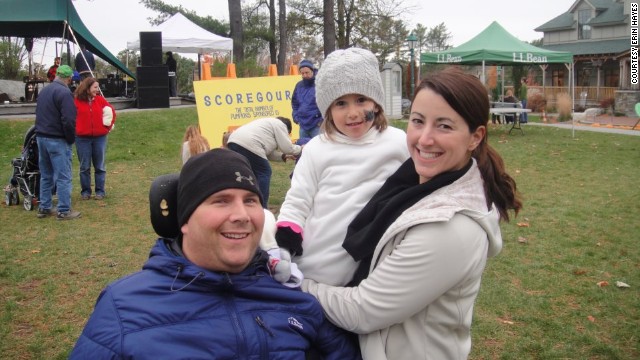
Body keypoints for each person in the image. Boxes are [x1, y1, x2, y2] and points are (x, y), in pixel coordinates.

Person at [302, 68, 523, 359]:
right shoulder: (408, 181)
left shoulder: (450, 228)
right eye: (418, 121)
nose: (424, 139)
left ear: (475, 137)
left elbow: (364, 310)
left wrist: (298, 282)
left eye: (444, 126)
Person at [68, 149, 361, 360]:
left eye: (250, 201)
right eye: (221, 201)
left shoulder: (293, 298)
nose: (242, 215)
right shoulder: (124, 308)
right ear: (184, 220)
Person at [271, 48, 409, 287]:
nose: (353, 113)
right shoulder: (317, 148)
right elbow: (298, 198)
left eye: (361, 100)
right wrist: (286, 240)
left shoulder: (399, 143)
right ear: (328, 111)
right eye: (341, 103)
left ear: (375, 103)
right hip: (314, 263)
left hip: (371, 269)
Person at [34, 65, 81, 220]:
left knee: (46, 174)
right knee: (63, 176)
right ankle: (63, 210)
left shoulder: (44, 91)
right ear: (69, 78)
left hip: (41, 137)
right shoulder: (64, 93)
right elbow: (68, 119)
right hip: (57, 139)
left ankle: (45, 206)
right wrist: (70, 138)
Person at [226, 116, 302, 207]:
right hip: (249, 143)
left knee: (246, 174)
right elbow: (288, 148)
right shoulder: (280, 125)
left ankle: (243, 201)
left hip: (233, 141)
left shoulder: (267, 127)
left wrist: (283, 156)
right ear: (287, 129)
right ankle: (261, 205)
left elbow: (266, 153)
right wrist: (301, 148)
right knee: (264, 171)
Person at [74, 77, 116, 200]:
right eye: (95, 87)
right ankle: (85, 191)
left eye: (97, 87)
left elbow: (112, 113)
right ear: (87, 88)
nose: (97, 90)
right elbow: (69, 117)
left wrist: (106, 129)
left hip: (100, 138)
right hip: (82, 139)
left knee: (100, 166)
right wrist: (75, 130)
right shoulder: (76, 101)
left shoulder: (101, 100)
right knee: (84, 166)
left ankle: (100, 191)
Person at [291, 59, 323, 139]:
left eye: (307, 73)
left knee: (319, 148)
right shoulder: (299, 86)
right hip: (303, 125)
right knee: (304, 149)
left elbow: (326, 103)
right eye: (302, 73)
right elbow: (294, 103)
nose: (305, 75)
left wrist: (322, 120)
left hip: (317, 125)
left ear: (312, 71)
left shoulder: (320, 84)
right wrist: (296, 117)